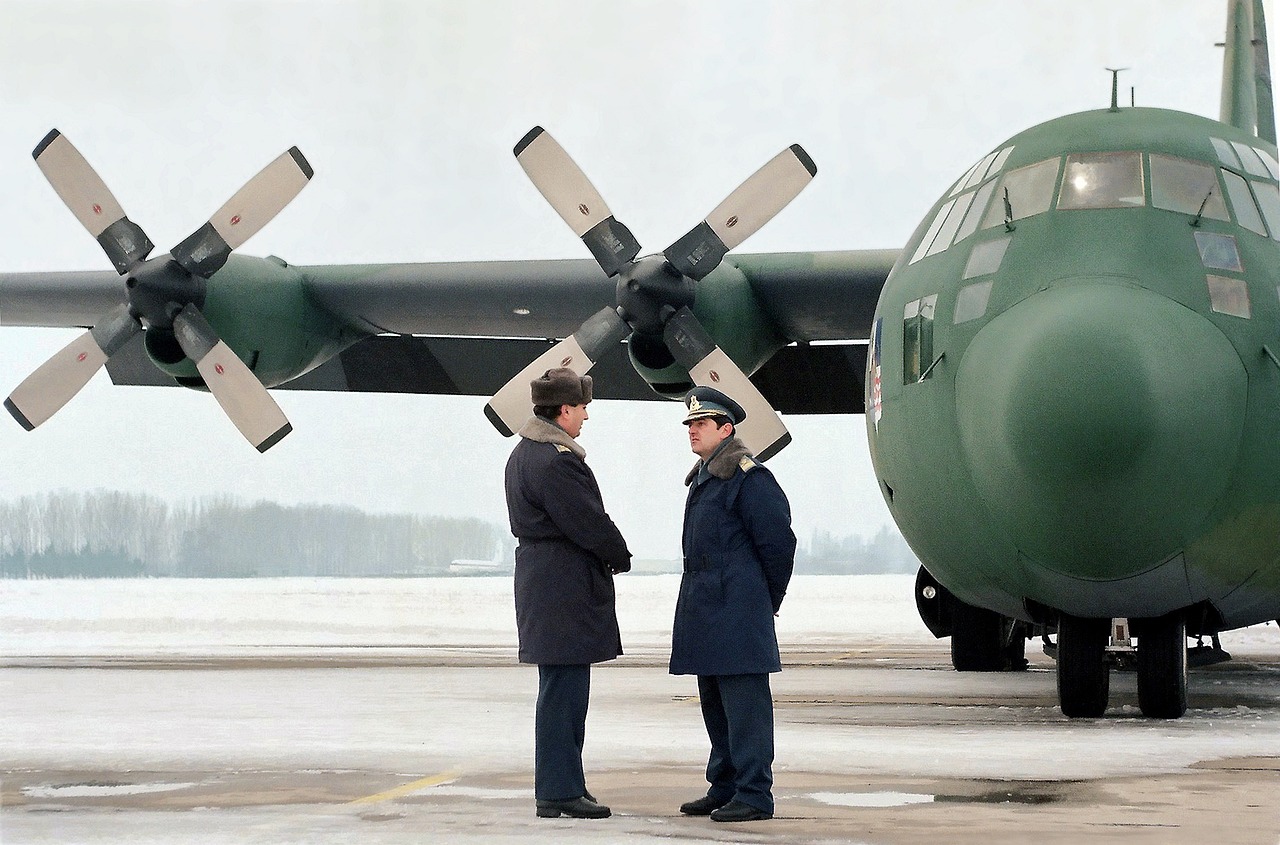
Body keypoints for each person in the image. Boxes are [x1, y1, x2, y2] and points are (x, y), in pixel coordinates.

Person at [504, 367, 632, 820]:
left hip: (545, 582)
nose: (584, 417)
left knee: (560, 691)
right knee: (564, 695)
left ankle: (564, 784)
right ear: (562, 410)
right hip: (563, 585)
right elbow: (588, 522)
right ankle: (559, 790)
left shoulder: (523, 455)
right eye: (581, 408)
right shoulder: (557, 461)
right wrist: (619, 554)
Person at [670, 386, 796, 823]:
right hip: (706, 608)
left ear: (726, 429)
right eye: (689, 425)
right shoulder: (706, 477)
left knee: (746, 709)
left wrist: (765, 600)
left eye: (701, 424)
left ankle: (755, 794)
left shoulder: (748, 477)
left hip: (737, 609)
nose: (692, 431)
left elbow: (778, 544)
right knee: (715, 704)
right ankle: (724, 785)